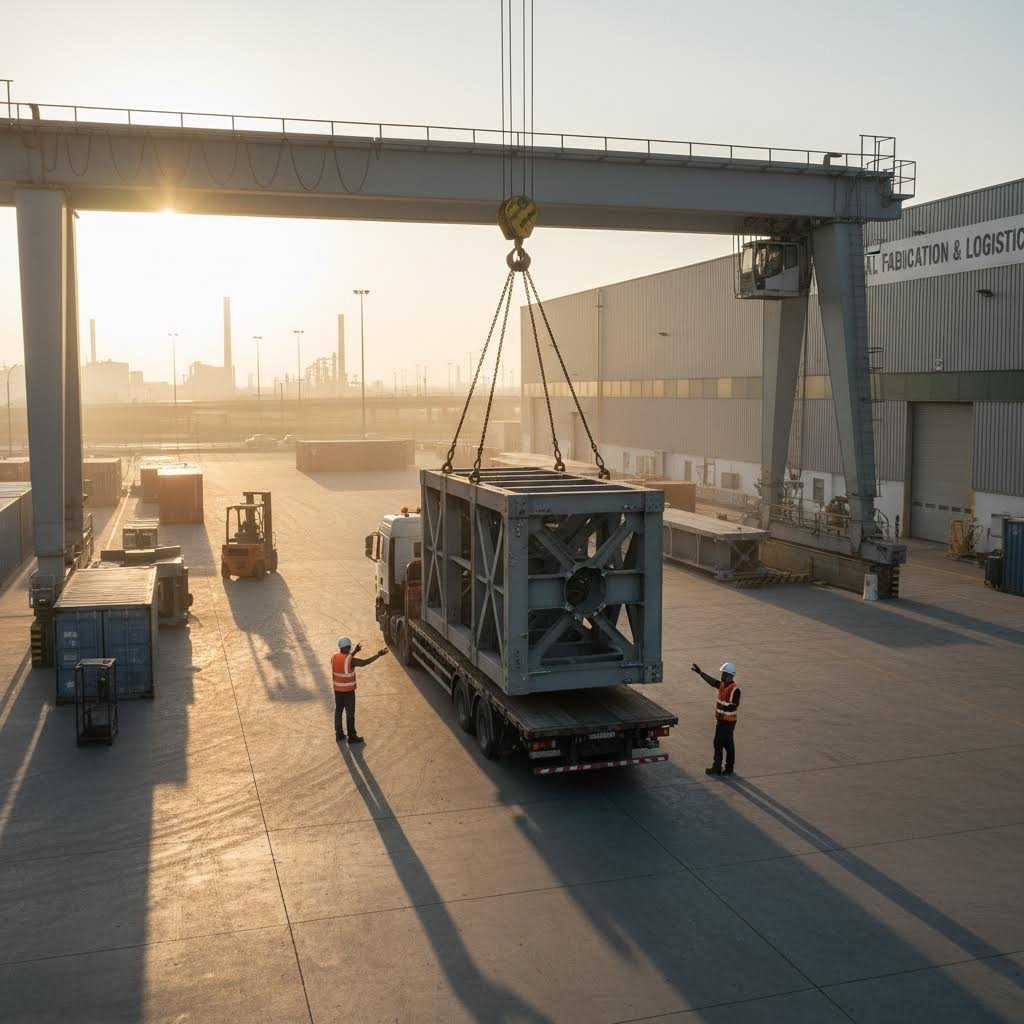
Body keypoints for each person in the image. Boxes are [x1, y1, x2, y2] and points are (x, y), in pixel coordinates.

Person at [332, 636, 388, 745]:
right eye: (349, 647)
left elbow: (346, 659)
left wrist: (355, 651)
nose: (350, 649)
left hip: (337, 690)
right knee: (350, 714)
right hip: (348, 692)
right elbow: (364, 662)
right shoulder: (351, 660)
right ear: (347, 647)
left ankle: (339, 734)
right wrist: (378, 655)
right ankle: (352, 737)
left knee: (338, 711)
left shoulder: (334, 657)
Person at [691, 661, 742, 776]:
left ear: (730, 675)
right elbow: (712, 682)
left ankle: (717, 768)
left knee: (718, 744)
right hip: (723, 721)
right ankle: (729, 768)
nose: (722, 675)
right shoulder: (723, 684)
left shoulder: (735, 690)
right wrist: (701, 673)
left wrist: (726, 706)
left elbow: (735, 703)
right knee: (728, 745)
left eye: (724, 674)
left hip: (727, 722)